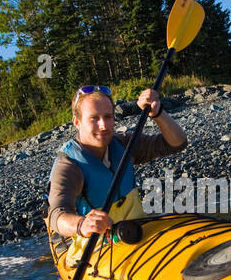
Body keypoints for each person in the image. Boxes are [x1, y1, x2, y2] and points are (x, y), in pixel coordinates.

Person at [47, 84, 187, 261]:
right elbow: (56, 216)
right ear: (77, 122)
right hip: (98, 250)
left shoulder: (124, 144)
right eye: (94, 118)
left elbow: (177, 142)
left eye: (108, 117)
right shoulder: (68, 165)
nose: (103, 125)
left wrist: (157, 113)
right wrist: (82, 224)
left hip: (138, 233)